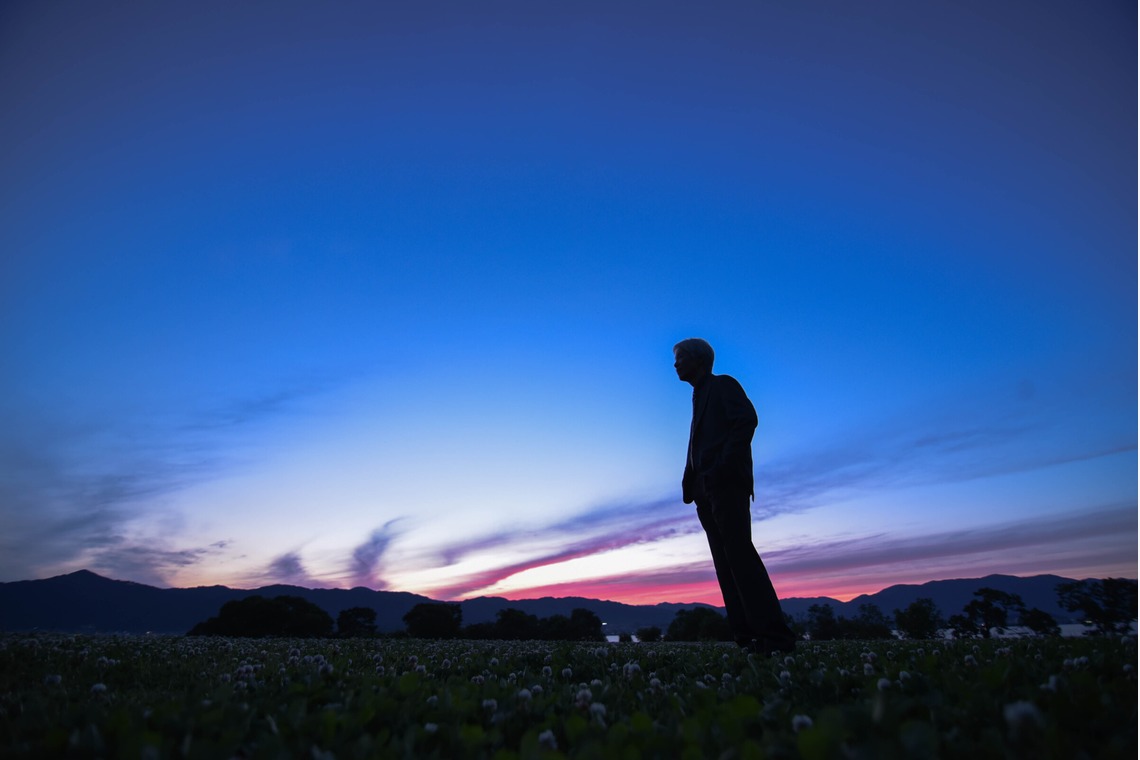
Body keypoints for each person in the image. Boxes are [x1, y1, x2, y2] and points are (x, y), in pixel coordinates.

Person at [673, 338, 796, 654]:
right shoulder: (698, 396)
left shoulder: (723, 385)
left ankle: (775, 637)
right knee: (724, 564)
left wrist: (723, 464)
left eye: (681, 357)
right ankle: (747, 637)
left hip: (726, 485)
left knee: (740, 557)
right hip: (705, 492)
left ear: (698, 360)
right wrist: (693, 479)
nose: (675, 364)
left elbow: (746, 420)